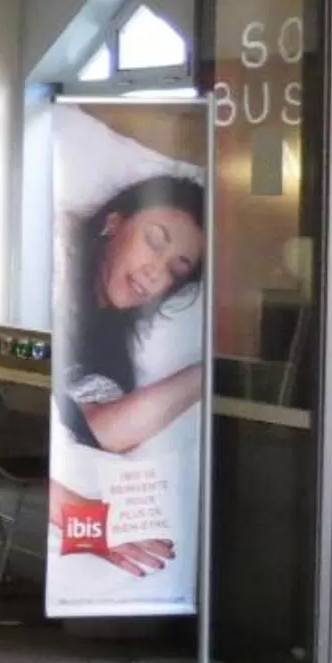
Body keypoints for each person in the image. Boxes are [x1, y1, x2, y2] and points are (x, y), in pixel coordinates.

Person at [57, 169, 207, 456]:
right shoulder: (57, 259)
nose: (155, 272)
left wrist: (207, 374)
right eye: (154, 240)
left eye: (176, 269)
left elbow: (100, 431)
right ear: (113, 223)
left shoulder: (110, 349)